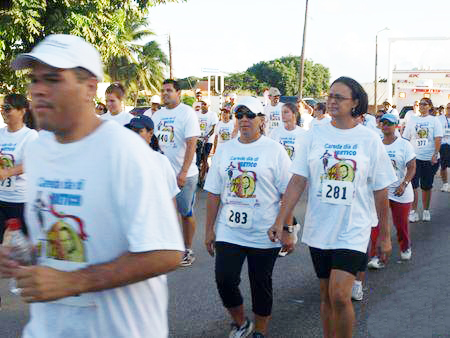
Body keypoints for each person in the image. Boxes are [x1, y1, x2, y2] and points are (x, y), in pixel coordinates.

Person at [1, 34, 184, 338]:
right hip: (48, 328)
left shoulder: (126, 152)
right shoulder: (38, 151)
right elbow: (59, 235)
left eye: (53, 79)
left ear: (89, 89)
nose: (38, 90)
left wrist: (73, 282)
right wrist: (24, 254)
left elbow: (166, 252)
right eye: (34, 80)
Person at [269, 77, 396, 338]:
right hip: (320, 226)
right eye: (330, 96)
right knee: (326, 295)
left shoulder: (369, 139)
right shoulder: (315, 133)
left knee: (340, 294)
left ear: (356, 103)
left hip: (354, 227)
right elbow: (297, 180)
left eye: (339, 97)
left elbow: (381, 191)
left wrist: (384, 235)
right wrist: (282, 220)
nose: (332, 101)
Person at [204, 97, 293, 338]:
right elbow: (213, 192)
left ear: (261, 120)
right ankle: (241, 322)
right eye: (239, 115)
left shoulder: (273, 150)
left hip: (264, 231)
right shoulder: (225, 149)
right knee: (225, 279)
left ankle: (260, 332)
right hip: (229, 229)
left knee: (260, 283)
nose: (244, 119)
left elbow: (288, 191)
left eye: (249, 115)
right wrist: (209, 229)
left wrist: (287, 227)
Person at [152, 79, 201, 266]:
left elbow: (191, 144)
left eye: (169, 90)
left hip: (184, 175)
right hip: (163, 175)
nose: (165, 94)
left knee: (185, 213)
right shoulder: (158, 115)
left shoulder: (187, 113)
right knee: (165, 212)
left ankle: (188, 249)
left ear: (178, 93)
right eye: (163, 90)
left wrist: (183, 172)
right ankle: (170, 247)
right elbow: (153, 142)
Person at [368, 113, 416, 269]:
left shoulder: (404, 145)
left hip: (400, 192)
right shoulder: (376, 144)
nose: (385, 125)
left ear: (396, 125)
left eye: (389, 123)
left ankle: (405, 245)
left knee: (400, 224)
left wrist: (404, 184)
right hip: (381, 192)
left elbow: (412, 167)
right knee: (377, 224)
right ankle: (376, 255)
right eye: (383, 122)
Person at [0, 94, 38, 241]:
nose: (3, 112)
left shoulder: (30, 136)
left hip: (20, 201)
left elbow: (32, 162)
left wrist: (7, 172)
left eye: (8, 109)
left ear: (22, 111)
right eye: (2, 108)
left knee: (23, 245)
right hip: (1, 198)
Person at [269, 102, 305, 256]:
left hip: (294, 175)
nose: (282, 115)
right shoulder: (275, 132)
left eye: (286, 112)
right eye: (281, 112)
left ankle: (287, 237)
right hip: (278, 174)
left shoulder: (303, 134)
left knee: (286, 203)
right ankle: (293, 226)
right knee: (280, 204)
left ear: (294, 114)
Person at [403, 97, 443, 222]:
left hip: (429, 158)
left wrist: (435, 154)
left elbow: (438, 138)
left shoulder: (434, 121)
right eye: (420, 104)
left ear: (430, 107)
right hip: (414, 158)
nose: (421, 106)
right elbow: (405, 139)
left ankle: (426, 210)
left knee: (426, 186)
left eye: (425, 104)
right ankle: (413, 211)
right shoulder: (412, 120)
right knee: (413, 186)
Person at [125, 115, 179, 199]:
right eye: (131, 131)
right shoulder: (122, 160)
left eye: (138, 131)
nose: (133, 135)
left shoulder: (161, 161)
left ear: (150, 133)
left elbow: (171, 196)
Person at [437, 103, 450, 192]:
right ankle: (445, 184)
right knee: (444, 165)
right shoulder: (439, 119)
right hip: (443, 144)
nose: (449, 109)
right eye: (448, 108)